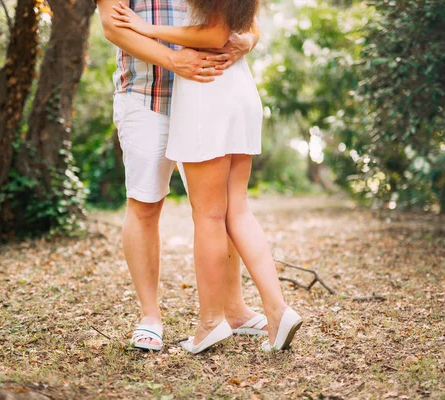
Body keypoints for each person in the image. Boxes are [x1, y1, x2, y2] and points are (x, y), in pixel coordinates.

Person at [110, 0, 303, 354]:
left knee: (212, 215)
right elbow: (114, 25)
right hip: (211, 89)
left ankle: (215, 321)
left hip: (203, 90)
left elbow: (220, 32)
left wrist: (148, 28)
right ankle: (277, 310)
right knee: (234, 210)